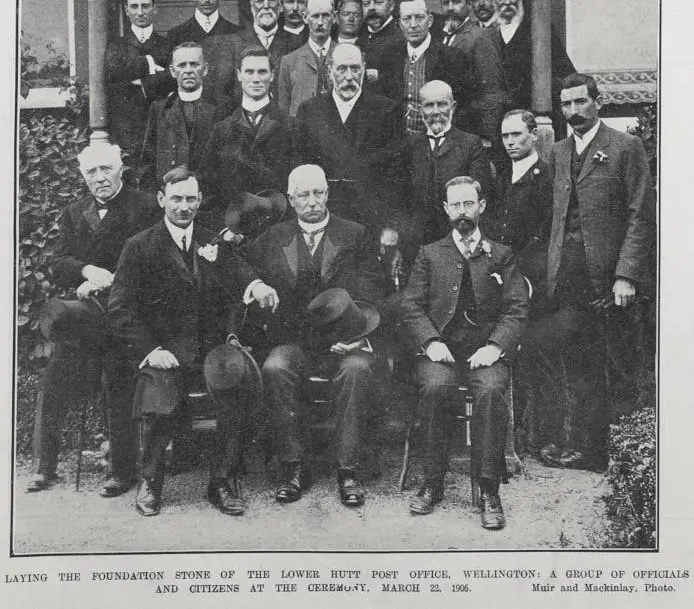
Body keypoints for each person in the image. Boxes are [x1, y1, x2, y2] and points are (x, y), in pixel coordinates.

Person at [107, 167, 262, 517]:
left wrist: (257, 287)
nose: (183, 206)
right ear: (162, 199)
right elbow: (119, 309)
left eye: (190, 199)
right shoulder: (139, 246)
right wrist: (150, 350)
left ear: (200, 201)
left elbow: (240, 275)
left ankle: (220, 482)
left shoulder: (213, 241)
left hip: (208, 351)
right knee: (159, 397)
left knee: (235, 388)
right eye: (176, 198)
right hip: (164, 352)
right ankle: (150, 481)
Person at [524, 73, 656, 470]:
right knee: (581, 364)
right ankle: (591, 449)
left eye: (580, 102)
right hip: (570, 280)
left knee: (620, 367)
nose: (573, 111)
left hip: (612, 281)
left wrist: (626, 275)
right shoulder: (559, 152)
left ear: (597, 102)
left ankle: (631, 457)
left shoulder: (625, 147)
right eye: (566, 104)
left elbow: (640, 215)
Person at [243, 164, 386, 508]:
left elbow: (371, 290)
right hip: (296, 341)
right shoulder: (271, 239)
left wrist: (356, 335)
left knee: (356, 370)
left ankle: (347, 470)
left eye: (318, 192)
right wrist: (256, 284)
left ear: (328, 193)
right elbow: (243, 267)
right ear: (290, 199)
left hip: (346, 340)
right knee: (275, 367)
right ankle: (294, 467)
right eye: (304, 195)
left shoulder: (355, 235)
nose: (312, 201)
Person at [395, 176, 529, 528]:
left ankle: (489, 489)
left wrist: (496, 345)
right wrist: (430, 341)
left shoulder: (501, 254)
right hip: (441, 352)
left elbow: (516, 308)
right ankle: (432, 481)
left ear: (481, 206)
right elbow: (410, 305)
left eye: (468, 204)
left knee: (490, 391)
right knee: (436, 388)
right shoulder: (429, 253)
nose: (462, 212)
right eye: (455, 205)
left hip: (485, 353)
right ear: (445, 209)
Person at [26, 144, 159, 496]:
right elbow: (58, 262)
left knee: (116, 373)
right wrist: (85, 271)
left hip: (128, 316)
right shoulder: (74, 213)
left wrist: (115, 278)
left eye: (105, 169)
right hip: (86, 317)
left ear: (120, 169)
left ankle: (122, 470)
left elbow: (157, 257)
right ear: (83, 177)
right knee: (55, 374)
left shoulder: (144, 206)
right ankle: (45, 467)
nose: (99, 178)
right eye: (91, 173)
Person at [295, 43, 398, 230]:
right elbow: (302, 167)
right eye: (342, 69)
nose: (349, 77)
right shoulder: (309, 110)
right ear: (329, 71)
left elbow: (396, 176)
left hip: (371, 217)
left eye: (355, 69)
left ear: (364, 69)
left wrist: (390, 227)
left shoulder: (387, 110)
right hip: (325, 214)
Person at [200, 46, 299, 223]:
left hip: (279, 226)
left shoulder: (292, 127)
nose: (255, 79)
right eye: (249, 72)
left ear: (272, 75)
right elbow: (208, 186)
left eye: (262, 72)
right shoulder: (222, 129)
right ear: (239, 75)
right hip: (235, 228)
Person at [398, 80, 492, 260]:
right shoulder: (410, 146)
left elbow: (481, 193)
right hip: (418, 243)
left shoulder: (470, 144)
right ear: (420, 109)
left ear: (453, 106)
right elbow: (402, 197)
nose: (435, 112)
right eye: (429, 105)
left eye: (441, 104)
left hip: (458, 239)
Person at [482, 109, 552, 300]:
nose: (510, 142)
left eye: (516, 134)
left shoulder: (548, 177)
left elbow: (544, 232)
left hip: (531, 275)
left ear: (534, 135)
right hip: (497, 273)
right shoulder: (501, 177)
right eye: (505, 136)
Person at [139, 42, 229, 190]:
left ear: (205, 69)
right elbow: (148, 161)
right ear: (173, 71)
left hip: (210, 197)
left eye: (194, 64)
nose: (188, 70)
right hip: (170, 195)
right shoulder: (160, 109)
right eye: (181, 65)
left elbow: (227, 162)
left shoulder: (223, 108)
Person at [378, 0, 472, 137]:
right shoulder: (390, 56)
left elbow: (464, 105)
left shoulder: (451, 57)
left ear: (430, 20)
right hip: (398, 142)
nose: (413, 24)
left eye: (419, 18)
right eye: (407, 19)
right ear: (399, 24)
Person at [104, 0, 173, 165]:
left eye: (145, 6)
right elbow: (113, 74)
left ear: (154, 9)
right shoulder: (116, 46)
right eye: (134, 7)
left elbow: (173, 78)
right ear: (126, 10)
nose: (140, 12)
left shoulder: (167, 45)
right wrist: (150, 63)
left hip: (160, 126)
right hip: (128, 128)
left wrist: (141, 82)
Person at [491, 0, 575, 117]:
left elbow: (565, 72)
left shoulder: (538, 30)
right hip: (501, 115)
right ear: (493, 1)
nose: (507, 2)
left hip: (534, 114)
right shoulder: (490, 34)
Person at [437, 0, 508, 141]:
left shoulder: (479, 36)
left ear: (468, 5)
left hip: (470, 128)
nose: (450, 8)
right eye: (446, 3)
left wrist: (486, 135)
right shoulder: (440, 37)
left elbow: (492, 90)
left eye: (456, 2)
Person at [278, 0, 336, 116]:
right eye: (315, 16)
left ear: (334, 18)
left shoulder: (347, 56)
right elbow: (283, 111)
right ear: (305, 18)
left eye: (325, 16)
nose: (320, 22)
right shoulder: (289, 61)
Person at [356, 0, 404, 80]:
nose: (371, 8)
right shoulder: (360, 41)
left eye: (378, 2)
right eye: (366, 4)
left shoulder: (402, 40)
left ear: (391, 6)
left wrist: (380, 77)